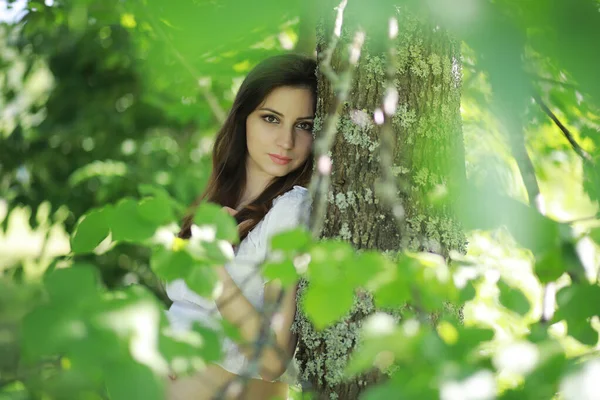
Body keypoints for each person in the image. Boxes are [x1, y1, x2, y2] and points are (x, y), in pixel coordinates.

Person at [164, 53, 317, 400]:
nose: (287, 141)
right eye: (271, 118)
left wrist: (214, 268)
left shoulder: (291, 211)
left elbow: (271, 358)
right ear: (243, 119)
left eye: (304, 125)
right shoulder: (222, 197)